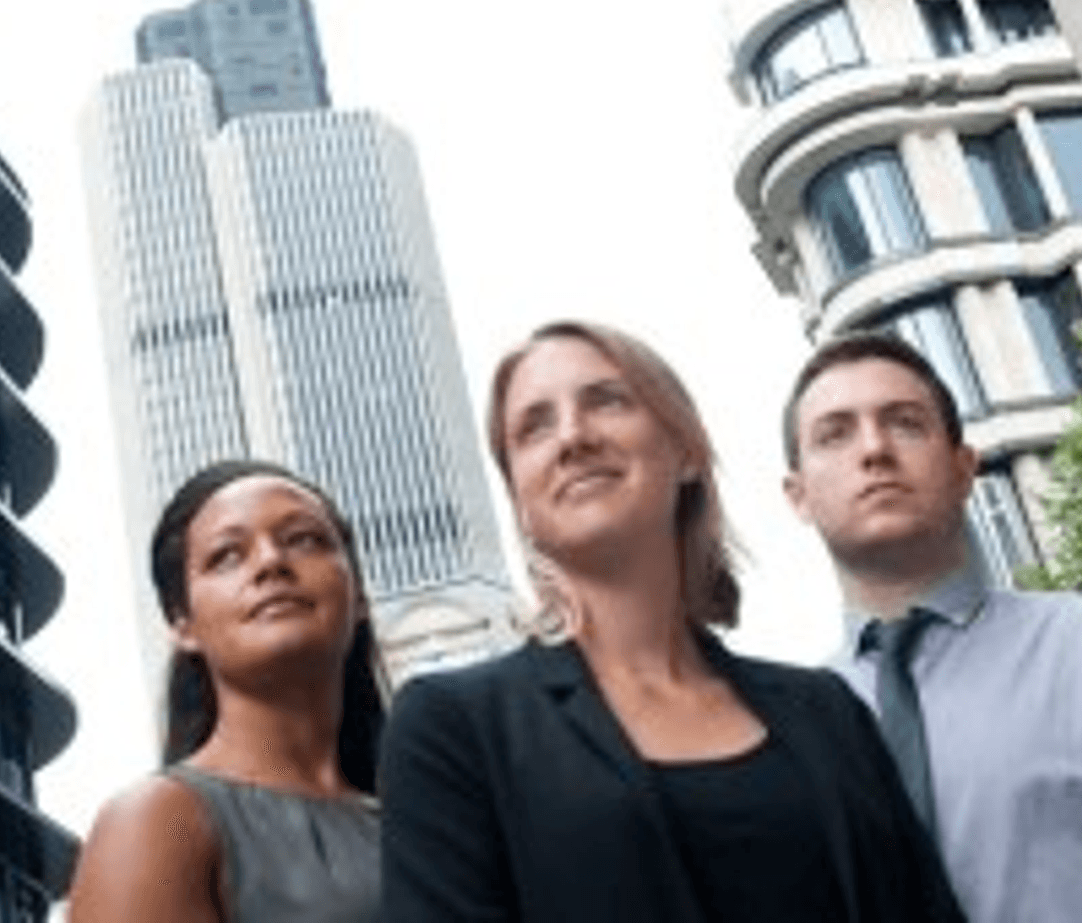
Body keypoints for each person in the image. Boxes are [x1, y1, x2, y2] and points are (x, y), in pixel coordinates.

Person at [381, 320, 964, 923]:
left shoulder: (828, 711)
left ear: (687, 451)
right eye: (534, 427)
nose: (573, 437)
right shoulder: (452, 729)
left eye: (606, 401)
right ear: (520, 501)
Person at [781, 331, 1082, 922]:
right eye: (835, 434)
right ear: (798, 495)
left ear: (964, 470)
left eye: (906, 423)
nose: (875, 449)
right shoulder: (790, 734)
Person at [69, 460, 386, 923]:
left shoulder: (433, 815)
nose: (271, 562)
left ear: (358, 595)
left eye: (304, 539)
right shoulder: (156, 821)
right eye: (227, 556)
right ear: (183, 625)